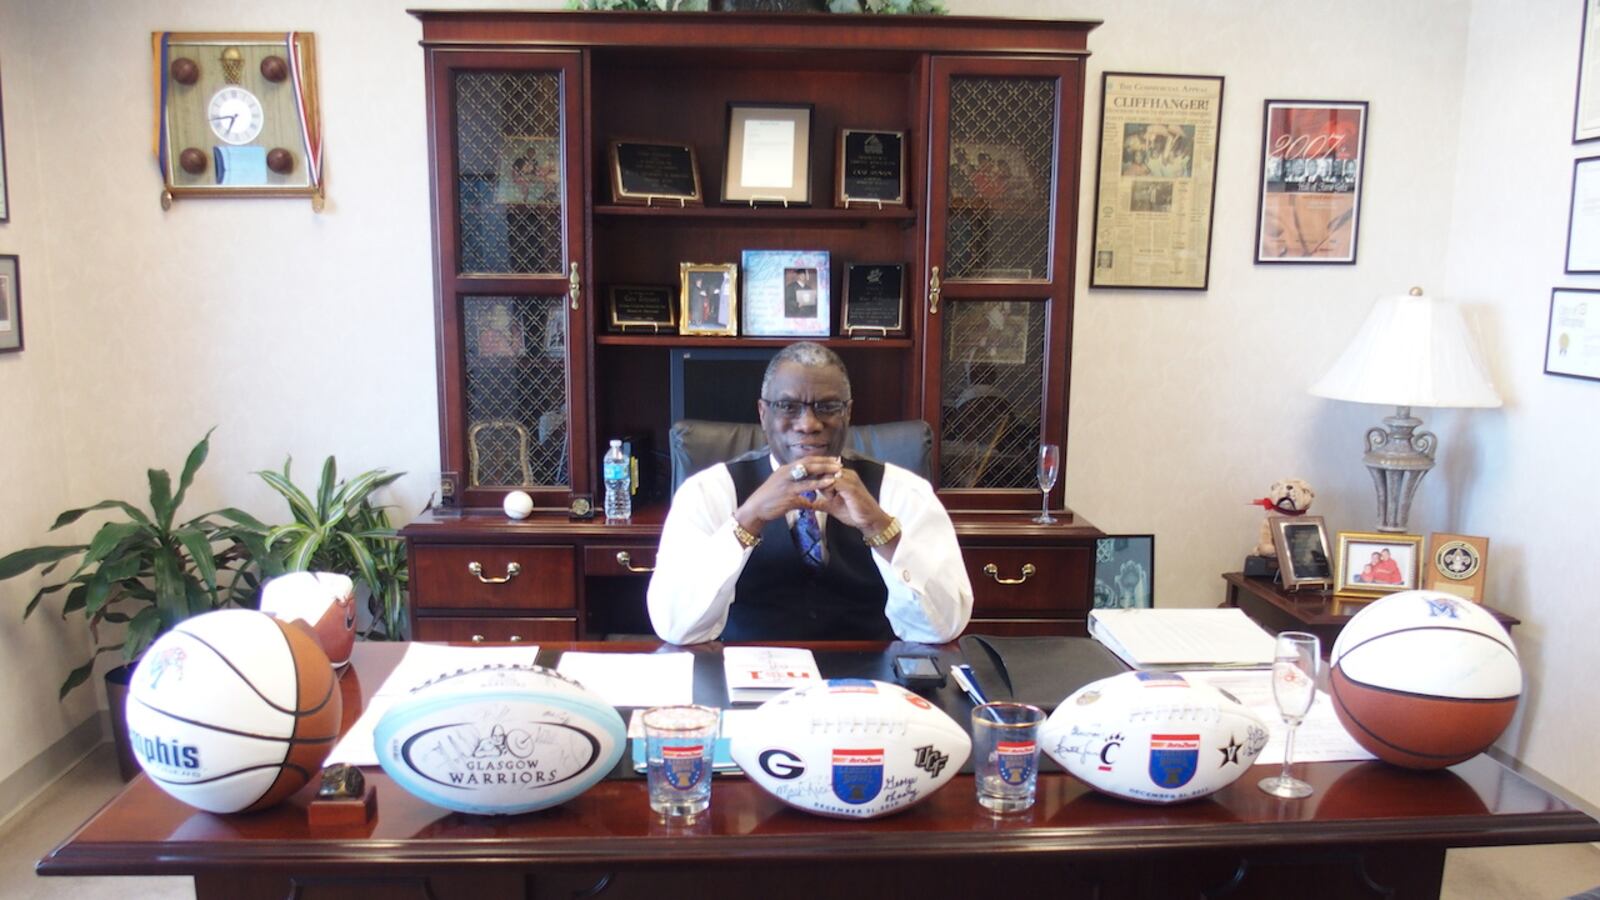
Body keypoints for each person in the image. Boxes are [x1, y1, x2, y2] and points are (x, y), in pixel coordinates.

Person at [647, 342, 973, 644]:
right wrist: (747, 521)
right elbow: (676, 627)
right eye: (788, 406)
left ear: (847, 412)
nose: (808, 424)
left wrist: (880, 529)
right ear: (763, 413)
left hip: (869, 683)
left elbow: (944, 628)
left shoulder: (903, 492)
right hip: (745, 680)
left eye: (827, 406)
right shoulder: (709, 493)